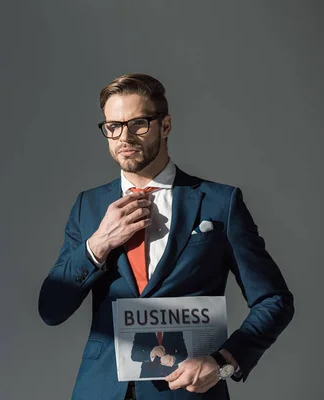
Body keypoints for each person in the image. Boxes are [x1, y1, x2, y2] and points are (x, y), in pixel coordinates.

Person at [37, 73, 294, 400]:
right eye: (113, 126)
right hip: (101, 390)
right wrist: (98, 243)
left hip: (188, 392)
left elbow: (274, 300)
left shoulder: (219, 203)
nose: (124, 137)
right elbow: (51, 309)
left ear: (166, 125)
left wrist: (224, 361)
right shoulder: (88, 206)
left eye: (138, 123)